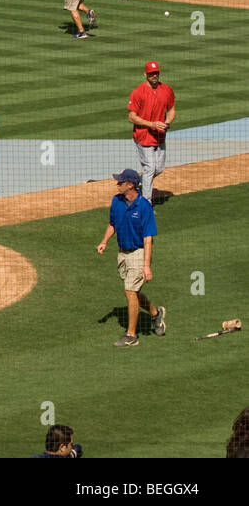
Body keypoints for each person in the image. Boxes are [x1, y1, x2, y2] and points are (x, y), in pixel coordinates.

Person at [96, 167, 164, 348]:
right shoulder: (117, 201)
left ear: (130, 185)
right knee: (133, 291)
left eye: (121, 182)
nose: (117, 184)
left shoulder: (144, 207)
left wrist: (146, 266)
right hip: (122, 252)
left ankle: (131, 335)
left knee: (130, 292)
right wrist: (104, 241)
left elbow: (148, 239)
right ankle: (156, 314)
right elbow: (112, 224)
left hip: (138, 252)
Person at [128, 60, 175, 200]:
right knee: (150, 168)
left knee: (158, 169)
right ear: (145, 74)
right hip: (143, 137)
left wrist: (166, 122)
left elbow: (172, 110)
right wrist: (152, 125)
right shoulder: (138, 92)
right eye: (151, 73)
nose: (154, 75)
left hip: (160, 137)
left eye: (156, 73)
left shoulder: (166, 90)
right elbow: (131, 117)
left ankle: (137, 182)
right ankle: (146, 203)